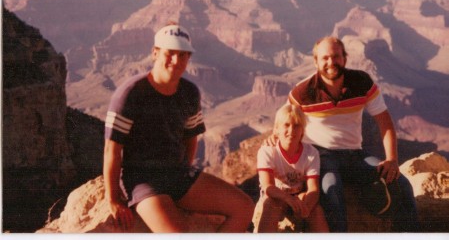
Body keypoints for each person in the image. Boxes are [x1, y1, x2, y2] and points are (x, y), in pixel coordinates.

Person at [103, 23, 254, 233]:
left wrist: (184, 171)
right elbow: (112, 149)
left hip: (177, 174)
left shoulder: (189, 92)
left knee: (244, 207)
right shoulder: (130, 94)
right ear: (155, 53)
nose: (176, 61)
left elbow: (190, 138)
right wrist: (112, 198)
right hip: (143, 181)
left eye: (182, 55)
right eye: (170, 53)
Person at [268, 36, 419, 232]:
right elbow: (284, 120)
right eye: (325, 58)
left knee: (401, 184)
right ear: (315, 62)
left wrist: (391, 159)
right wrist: (275, 137)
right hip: (321, 156)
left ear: (344, 58)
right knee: (331, 191)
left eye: (336, 57)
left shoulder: (361, 82)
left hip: (355, 155)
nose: (331, 63)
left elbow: (385, 122)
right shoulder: (304, 91)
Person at [254, 104, 329, 233]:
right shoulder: (267, 151)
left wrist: (306, 207)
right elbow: (268, 187)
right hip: (275, 197)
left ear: (302, 131)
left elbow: (313, 189)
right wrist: (288, 198)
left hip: (299, 197)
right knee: (270, 206)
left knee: (316, 211)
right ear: (276, 129)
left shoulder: (311, 153)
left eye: (297, 125)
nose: (292, 130)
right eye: (286, 125)